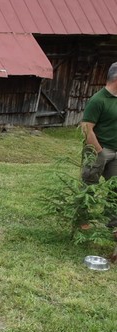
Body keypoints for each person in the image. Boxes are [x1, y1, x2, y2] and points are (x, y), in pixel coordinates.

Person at [80, 61, 117, 228]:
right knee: (89, 185)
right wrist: (99, 152)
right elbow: (87, 128)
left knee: (115, 188)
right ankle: (82, 220)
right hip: (99, 151)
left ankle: (113, 224)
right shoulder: (98, 100)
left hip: (116, 153)